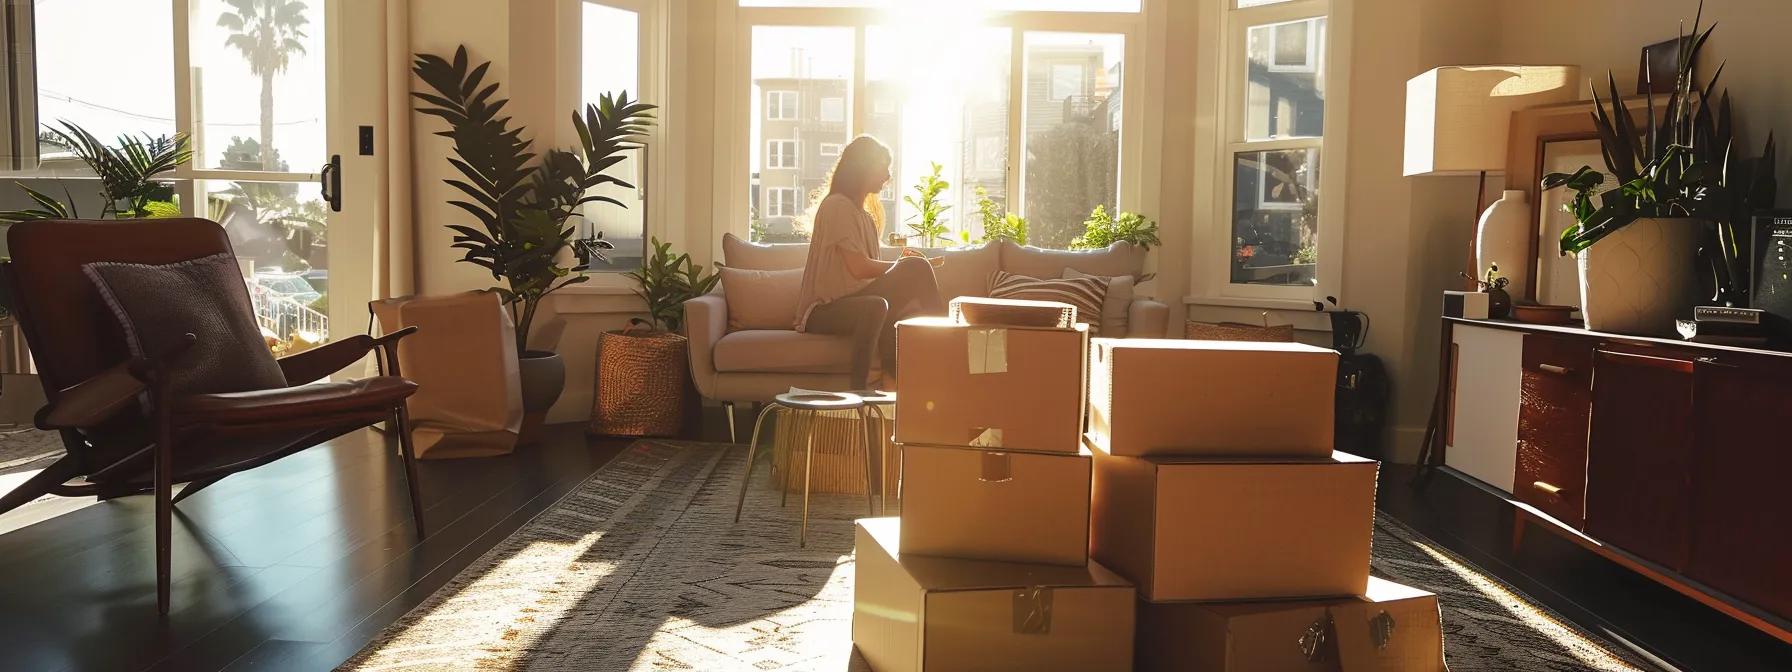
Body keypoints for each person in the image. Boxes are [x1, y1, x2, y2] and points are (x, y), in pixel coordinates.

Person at [795, 135, 947, 391]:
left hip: (858, 303)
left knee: (885, 302)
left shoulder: (865, 218)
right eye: (883, 166)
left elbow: (874, 274)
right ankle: (860, 391)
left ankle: (892, 380)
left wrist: (909, 266)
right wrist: (909, 265)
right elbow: (860, 268)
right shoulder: (837, 206)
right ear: (863, 166)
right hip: (822, 311)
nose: (888, 175)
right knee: (886, 295)